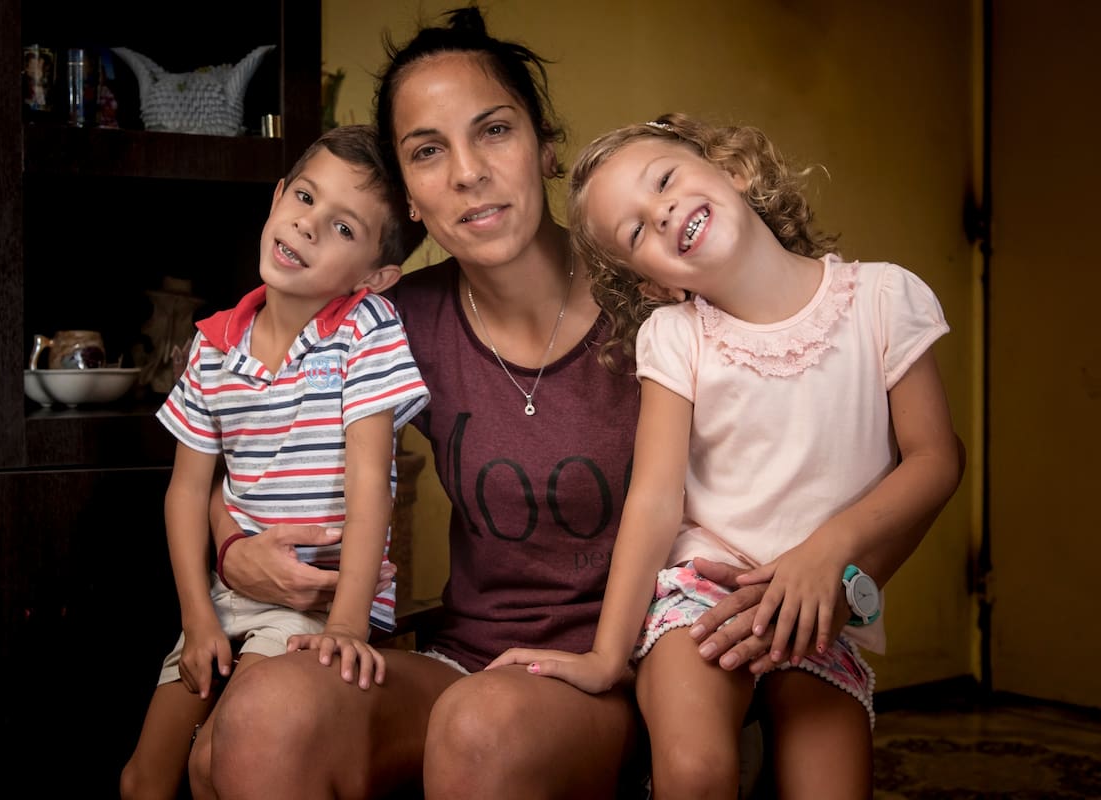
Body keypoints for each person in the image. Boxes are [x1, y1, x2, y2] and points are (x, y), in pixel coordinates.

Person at [190, 9, 960, 799]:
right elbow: (249, 433)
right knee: (261, 719)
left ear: (544, 145)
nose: (466, 172)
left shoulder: (674, 298)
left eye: (493, 131)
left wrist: (824, 589)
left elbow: (839, 463)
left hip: (635, 667)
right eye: (427, 151)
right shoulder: (393, 321)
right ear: (410, 197)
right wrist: (231, 545)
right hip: (464, 658)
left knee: (482, 728)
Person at [488, 113, 963, 798]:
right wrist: (604, 656)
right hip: (702, 595)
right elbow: (655, 501)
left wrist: (828, 556)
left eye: (665, 180)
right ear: (653, 284)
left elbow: (935, 459)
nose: (662, 212)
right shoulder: (677, 337)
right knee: (697, 770)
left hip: (820, 607)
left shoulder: (886, 298)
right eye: (636, 231)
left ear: (730, 170)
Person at [119, 123, 430, 800]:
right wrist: (198, 617)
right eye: (306, 199)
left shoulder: (363, 329)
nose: (309, 226)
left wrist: (349, 621)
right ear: (278, 195)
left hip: (319, 607)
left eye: (344, 228)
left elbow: (371, 480)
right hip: (226, 598)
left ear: (376, 275)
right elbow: (186, 492)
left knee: (225, 765)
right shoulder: (212, 345)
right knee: (143, 778)